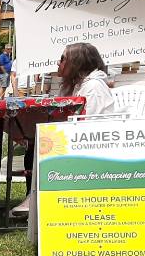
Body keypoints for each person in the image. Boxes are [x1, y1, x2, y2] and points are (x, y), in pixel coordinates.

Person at [11, 42, 114, 218]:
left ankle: (37, 198)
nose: (58, 63)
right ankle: (35, 196)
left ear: (77, 62)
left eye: (63, 59)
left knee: (42, 144)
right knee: (33, 143)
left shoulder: (94, 87)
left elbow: (92, 126)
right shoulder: (75, 85)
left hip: (93, 146)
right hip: (77, 139)